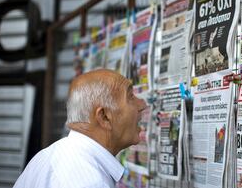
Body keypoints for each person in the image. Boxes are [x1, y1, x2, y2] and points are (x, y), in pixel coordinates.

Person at [14, 69, 148, 188]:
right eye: (130, 97)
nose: (143, 104)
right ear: (104, 117)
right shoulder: (90, 183)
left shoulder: (50, 155)